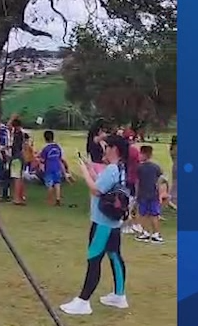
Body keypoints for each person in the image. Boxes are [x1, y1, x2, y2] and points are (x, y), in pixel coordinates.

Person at [60, 134, 130, 315]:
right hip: (113, 222)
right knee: (115, 256)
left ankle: (83, 301)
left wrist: (83, 170)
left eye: (107, 147)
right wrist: (92, 171)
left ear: (114, 149)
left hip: (102, 223)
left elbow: (96, 189)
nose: (104, 150)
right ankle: (119, 295)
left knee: (94, 259)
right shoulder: (120, 168)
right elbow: (103, 184)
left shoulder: (112, 169)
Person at [135, 145, 164, 244]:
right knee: (154, 214)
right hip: (153, 194)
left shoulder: (139, 168)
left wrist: (136, 194)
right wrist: (160, 194)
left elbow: (137, 182)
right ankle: (156, 234)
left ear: (143, 154)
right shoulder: (156, 167)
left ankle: (145, 233)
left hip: (143, 194)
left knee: (143, 214)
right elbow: (160, 181)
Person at [39, 130, 69, 206]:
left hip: (49, 168)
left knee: (49, 185)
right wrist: (64, 172)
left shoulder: (45, 148)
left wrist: (41, 169)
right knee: (57, 184)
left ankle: (49, 200)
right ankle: (58, 200)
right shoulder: (58, 147)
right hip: (57, 168)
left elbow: (42, 160)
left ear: (45, 138)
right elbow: (60, 159)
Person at [8, 118, 26, 204]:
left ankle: (17, 199)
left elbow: (8, 126)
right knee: (20, 178)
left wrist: (12, 117)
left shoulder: (17, 134)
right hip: (20, 158)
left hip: (16, 158)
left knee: (16, 179)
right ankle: (20, 196)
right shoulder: (22, 134)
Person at [169, 135, 178, 209]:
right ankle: (174, 199)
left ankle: (172, 198)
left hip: (174, 165)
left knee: (175, 182)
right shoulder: (176, 148)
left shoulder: (172, 148)